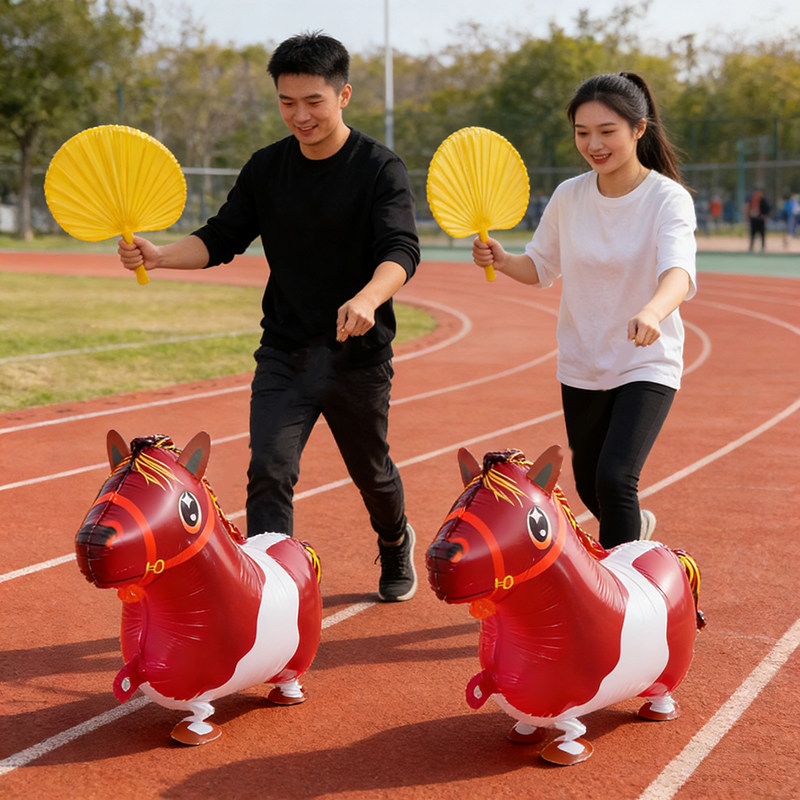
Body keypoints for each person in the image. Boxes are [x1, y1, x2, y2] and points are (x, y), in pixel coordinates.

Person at [117, 32, 420, 602]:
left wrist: (368, 298)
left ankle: (393, 538)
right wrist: (162, 257)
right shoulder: (267, 168)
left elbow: (401, 250)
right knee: (270, 470)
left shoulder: (379, 167)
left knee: (372, 473)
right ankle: (272, 593)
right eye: (287, 102)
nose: (300, 115)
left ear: (344, 95)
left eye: (313, 101)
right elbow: (222, 237)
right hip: (287, 349)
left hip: (357, 354)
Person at [473, 72, 696, 549]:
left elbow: (678, 272)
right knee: (592, 486)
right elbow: (539, 268)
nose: (593, 144)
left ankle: (622, 592)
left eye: (607, 131)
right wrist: (503, 259)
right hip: (582, 362)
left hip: (645, 360)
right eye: (582, 133)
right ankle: (632, 528)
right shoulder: (570, 196)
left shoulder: (666, 198)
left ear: (639, 129)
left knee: (617, 480)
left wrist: (654, 312)